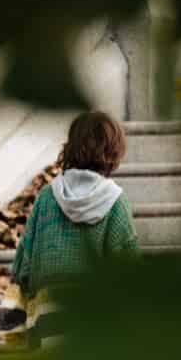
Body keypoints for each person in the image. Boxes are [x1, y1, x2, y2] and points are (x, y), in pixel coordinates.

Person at [11, 110, 140, 342]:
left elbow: (23, 266)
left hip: (47, 317)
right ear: (114, 151)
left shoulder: (47, 197)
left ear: (70, 147)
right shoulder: (116, 202)